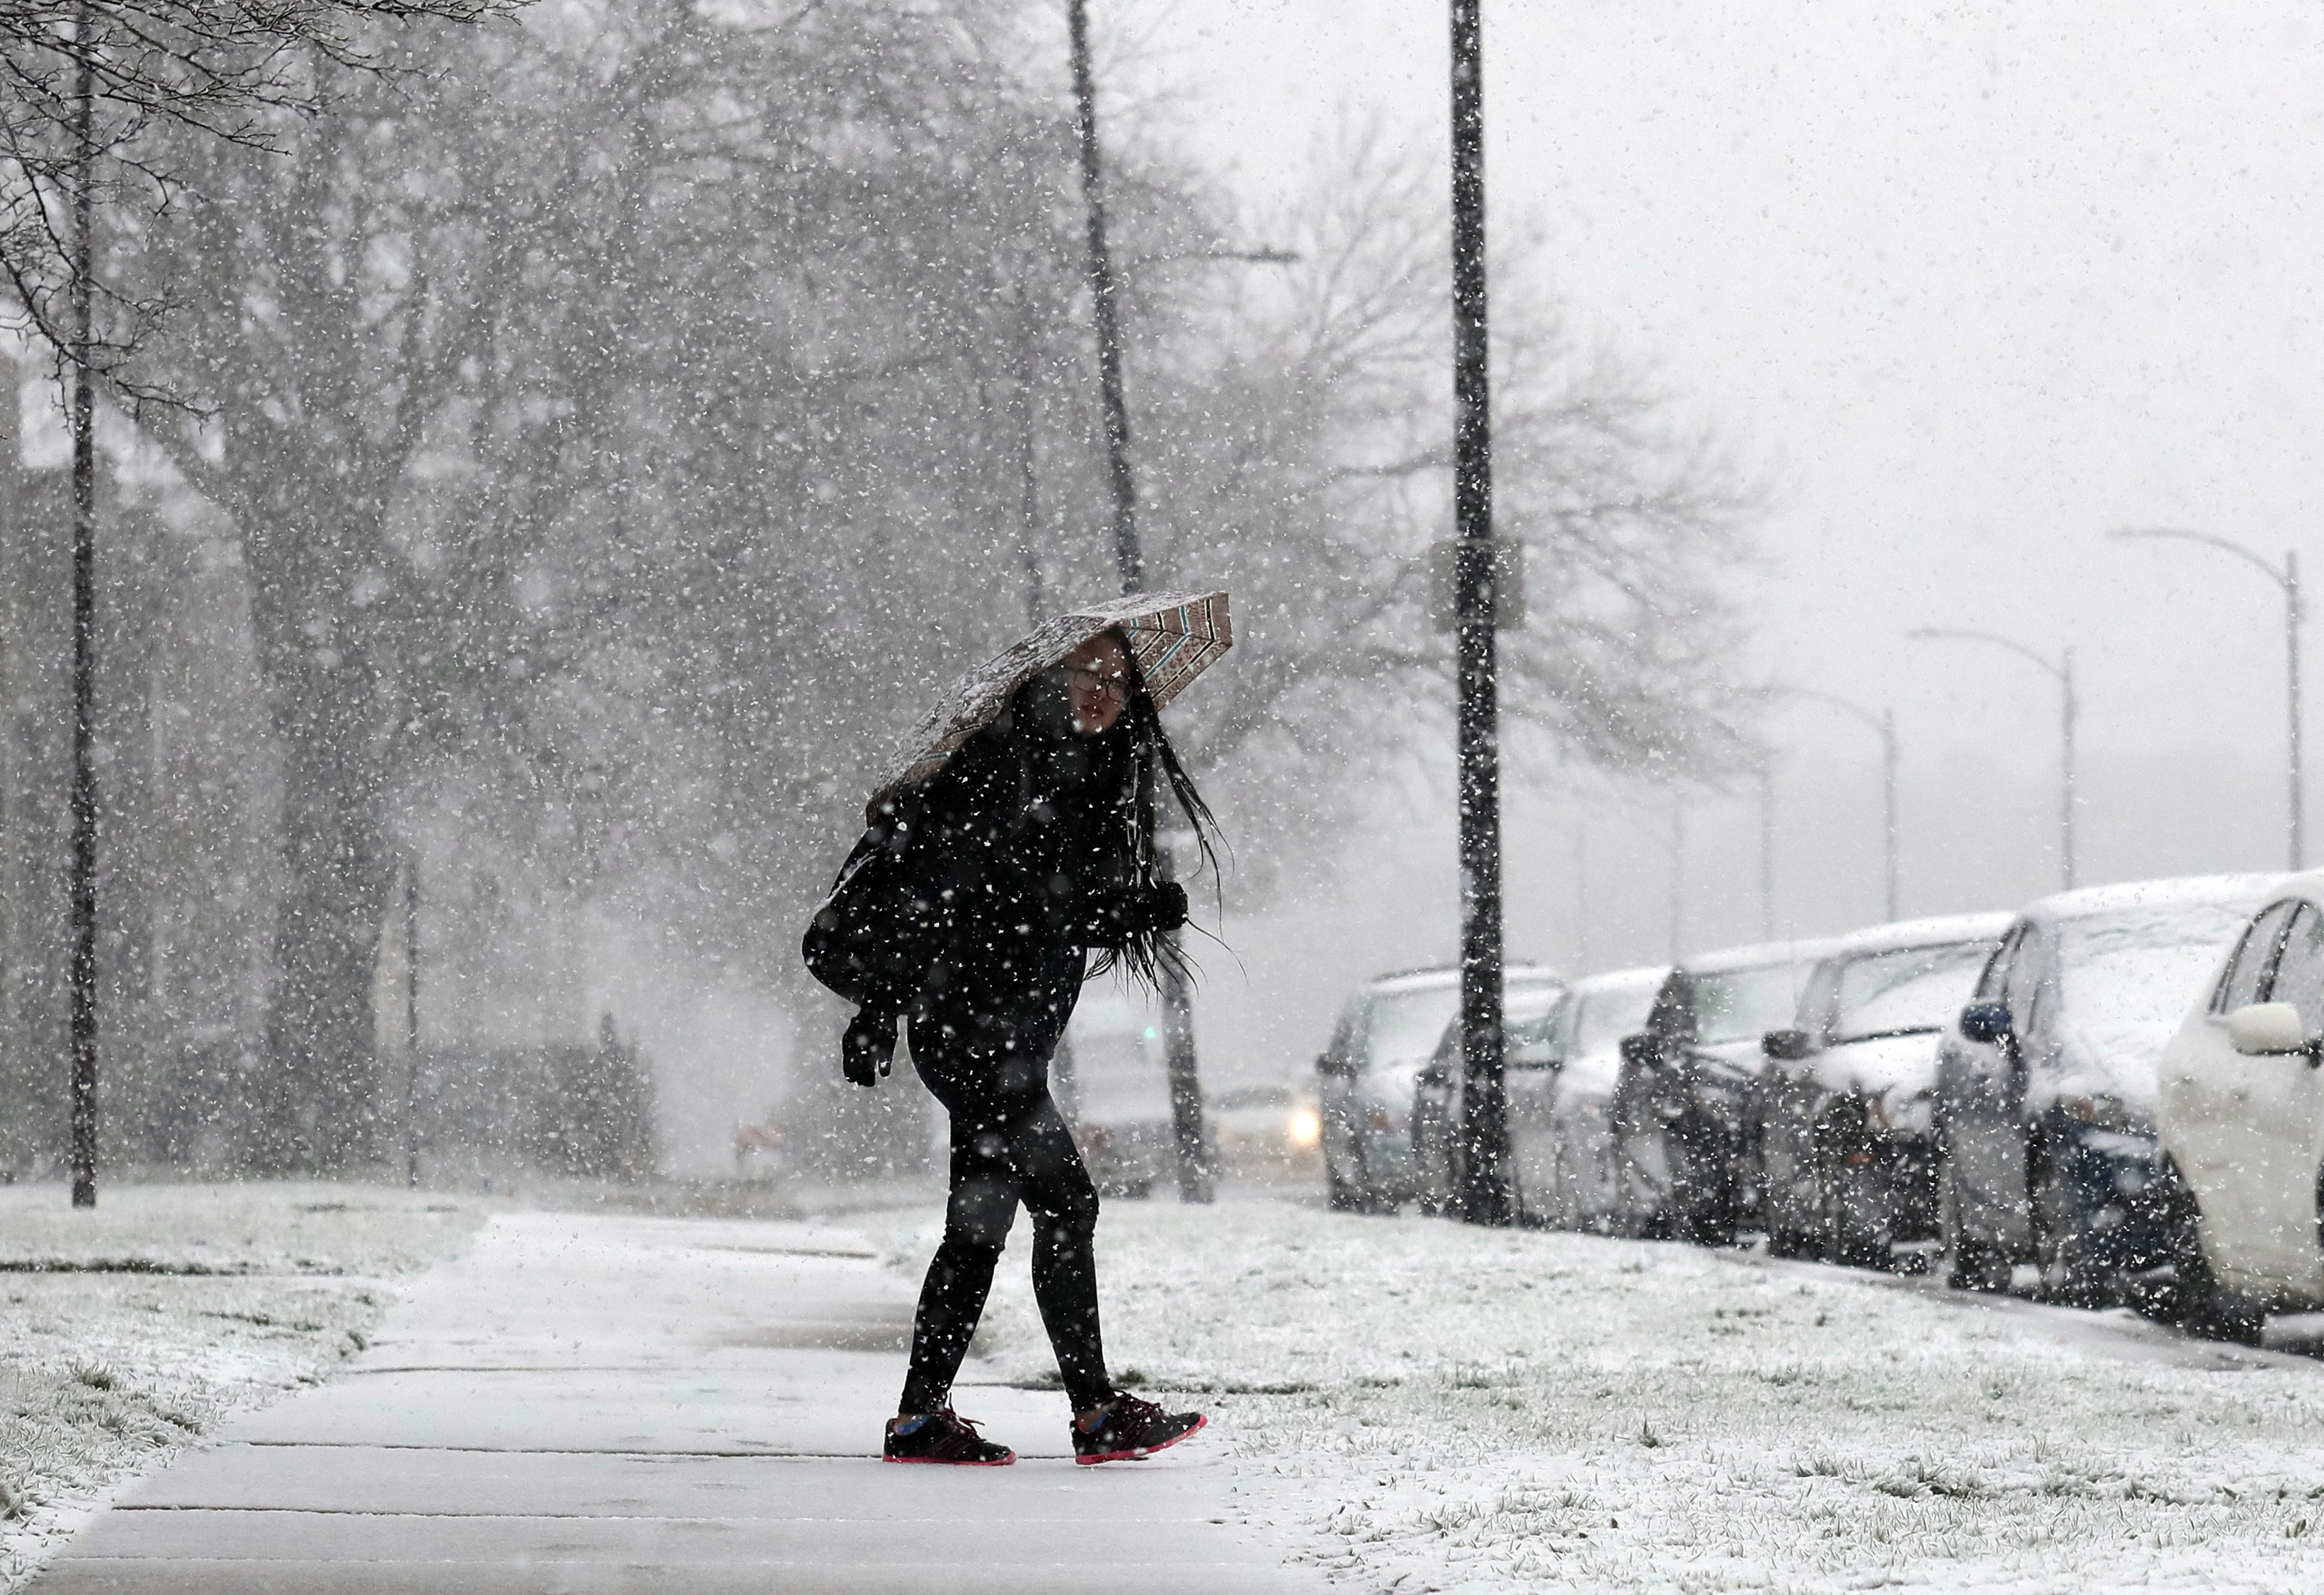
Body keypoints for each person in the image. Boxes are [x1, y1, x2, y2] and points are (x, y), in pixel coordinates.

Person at [837, 629, 1215, 1466]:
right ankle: (1094, 1413)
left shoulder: (1064, 782)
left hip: (1001, 1036)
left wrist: (1128, 906)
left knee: (977, 1227)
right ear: (1046, 680)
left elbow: (1044, 909)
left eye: (1118, 683)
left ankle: (918, 1420)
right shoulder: (999, 776)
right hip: (975, 1034)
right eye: (1085, 673)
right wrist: (880, 1004)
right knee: (1067, 1204)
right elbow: (985, 906)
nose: (1100, 693)